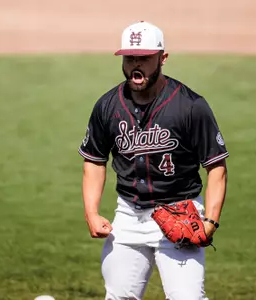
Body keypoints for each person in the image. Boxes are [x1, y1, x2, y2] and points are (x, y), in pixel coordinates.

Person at [78, 20, 229, 300]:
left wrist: (210, 221)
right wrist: (91, 212)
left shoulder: (191, 106)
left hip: (181, 212)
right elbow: (95, 160)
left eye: (145, 58)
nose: (136, 65)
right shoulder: (107, 106)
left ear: (162, 58)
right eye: (130, 58)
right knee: (119, 297)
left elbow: (216, 167)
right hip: (128, 216)